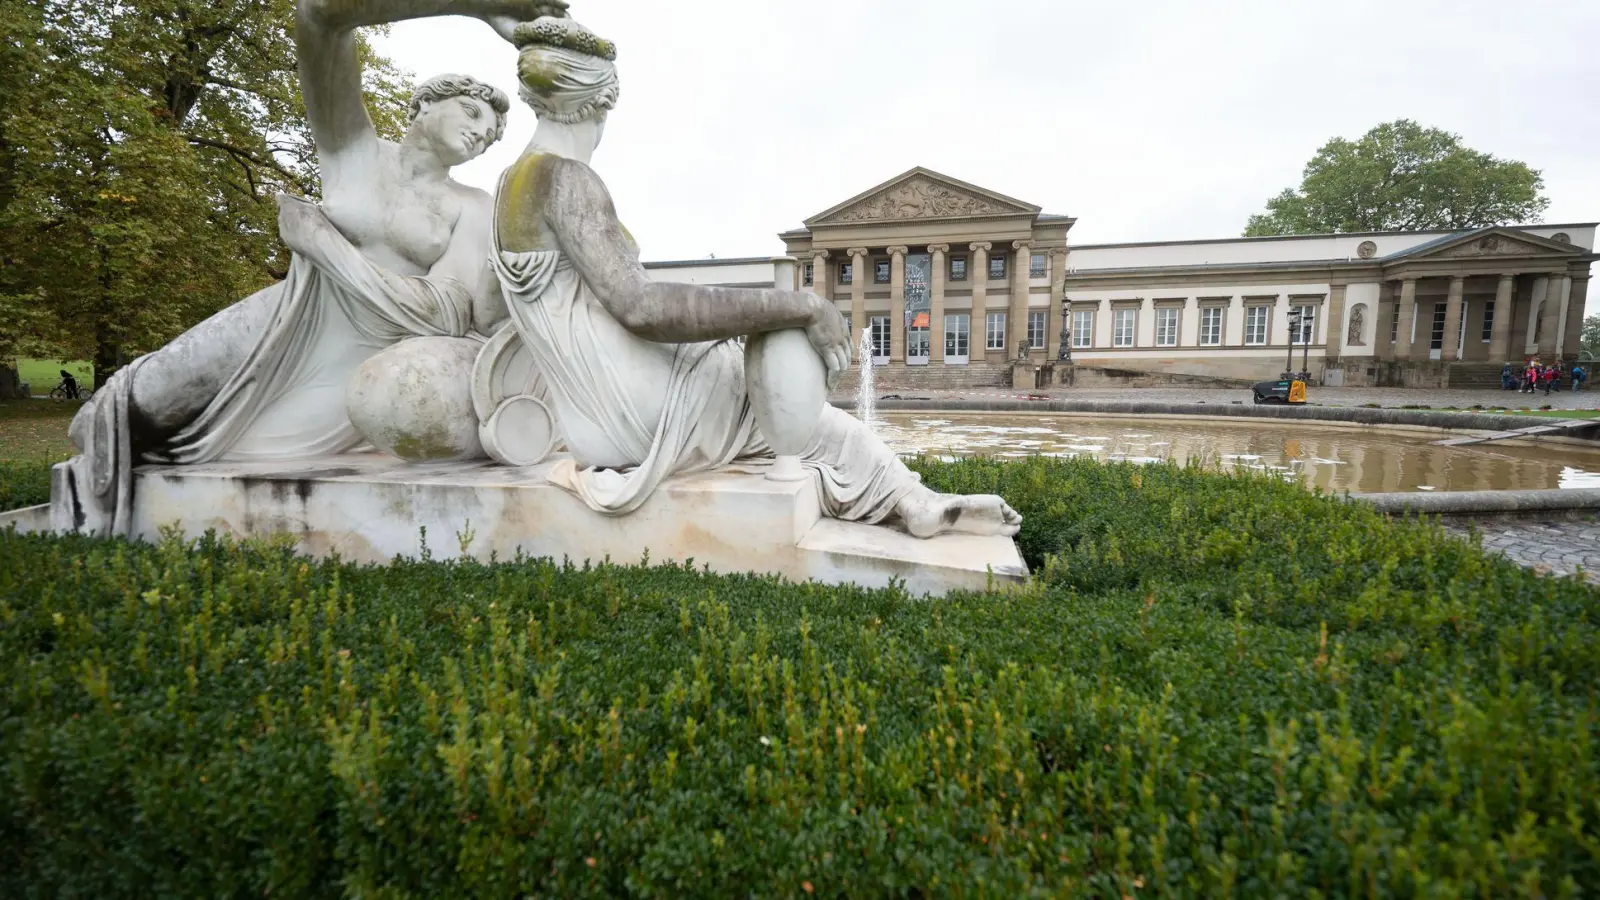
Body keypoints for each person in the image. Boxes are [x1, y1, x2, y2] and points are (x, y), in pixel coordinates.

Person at [488, 15, 1020, 538]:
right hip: (638, 414)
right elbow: (641, 307)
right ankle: (909, 498)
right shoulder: (567, 179)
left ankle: (904, 495)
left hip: (590, 422)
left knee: (777, 401)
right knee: (792, 390)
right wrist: (805, 305)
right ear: (604, 100)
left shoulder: (510, 185)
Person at [52, 0, 557, 538]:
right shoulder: (354, 150)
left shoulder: (472, 206)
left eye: (492, 135)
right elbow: (318, 18)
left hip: (360, 359)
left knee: (168, 434)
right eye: (474, 113)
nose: (483, 134)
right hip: (289, 316)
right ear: (426, 103)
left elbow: (448, 311)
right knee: (119, 415)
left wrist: (327, 249)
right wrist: (476, 6)